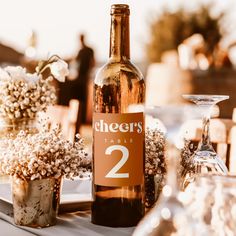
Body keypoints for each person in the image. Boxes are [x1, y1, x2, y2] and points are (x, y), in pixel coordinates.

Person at [73, 33, 95, 123]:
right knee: (79, 97)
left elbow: (92, 62)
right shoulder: (81, 51)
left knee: (82, 98)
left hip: (84, 77)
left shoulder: (86, 50)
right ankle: (79, 117)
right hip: (80, 77)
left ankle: (82, 118)